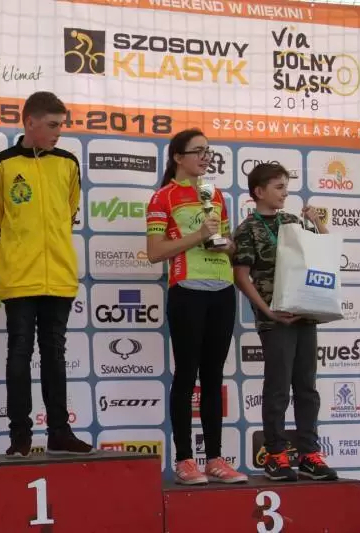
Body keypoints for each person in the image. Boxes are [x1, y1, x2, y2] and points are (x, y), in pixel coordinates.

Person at [0, 91, 92, 458]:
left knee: (55, 353)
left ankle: (59, 431)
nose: (59, 132)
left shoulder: (68, 163)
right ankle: (20, 437)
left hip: (59, 276)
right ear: (29, 122)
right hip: (19, 277)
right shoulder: (2, 164)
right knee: (19, 351)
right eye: (52, 125)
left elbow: (68, 215)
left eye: (61, 125)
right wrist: (12, 258)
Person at [146, 128, 247, 485]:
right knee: (187, 374)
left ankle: (215, 459)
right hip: (187, 290)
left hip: (222, 289)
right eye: (199, 151)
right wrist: (198, 236)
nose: (206, 157)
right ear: (178, 157)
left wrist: (227, 245)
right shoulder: (162, 197)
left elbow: (228, 243)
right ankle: (185, 460)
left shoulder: (214, 193)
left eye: (208, 151)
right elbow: (154, 252)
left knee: (214, 376)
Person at [231, 163, 338, 482]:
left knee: (306, 387)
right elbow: (241, 276)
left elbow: (323, 255)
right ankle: (275, 454)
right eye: (278, 187)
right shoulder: (247, 229)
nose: (284, 193)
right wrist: (267, 310)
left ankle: (309, 454)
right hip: (275, 319)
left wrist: (317, 224)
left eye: (286, 188)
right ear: (258, 192)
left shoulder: (292, 221)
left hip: (305, 313)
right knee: (278, 387)